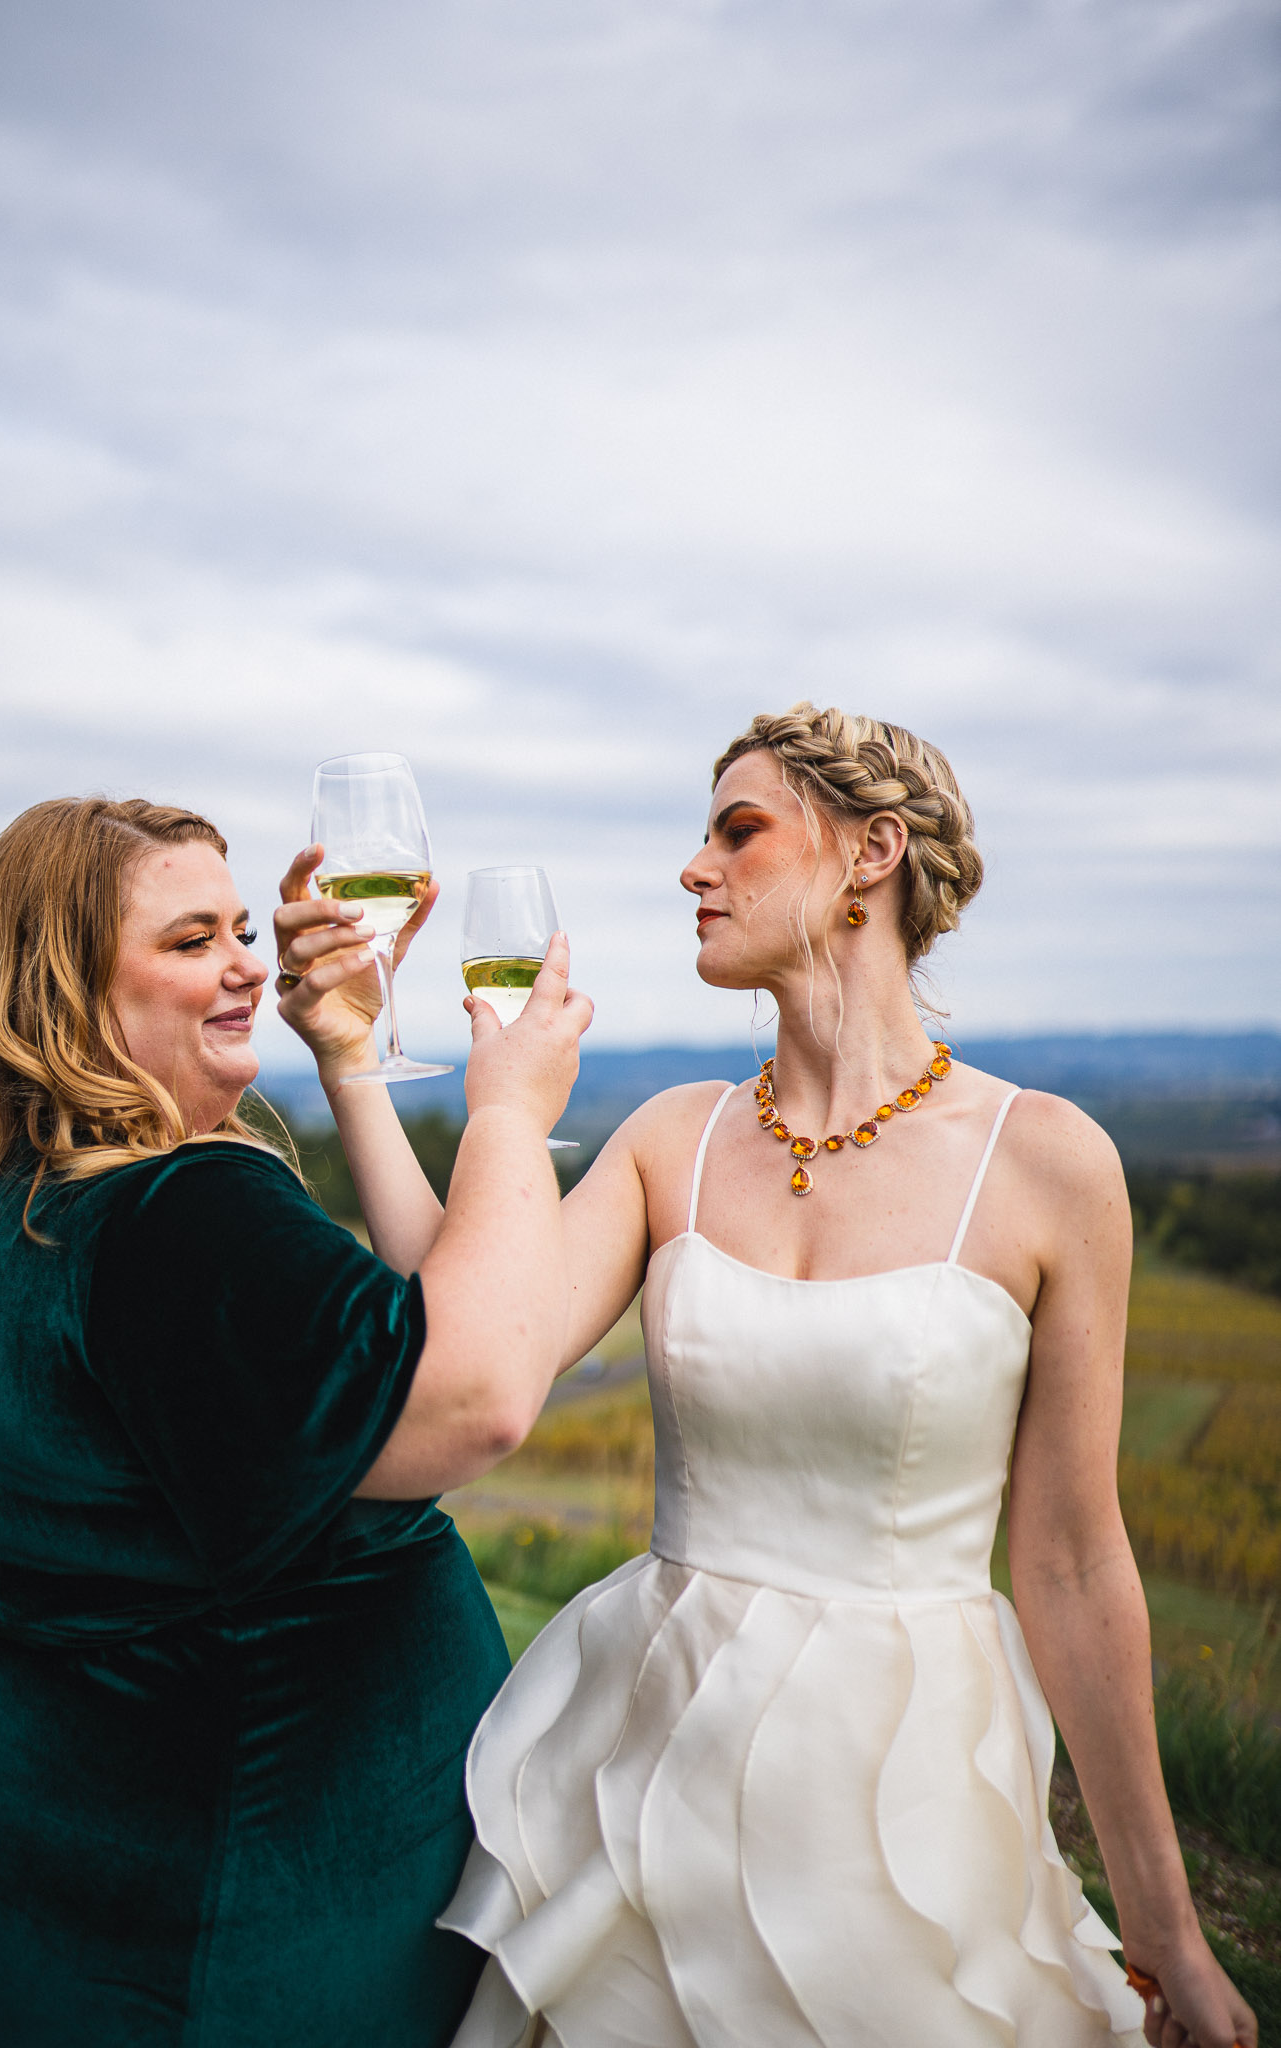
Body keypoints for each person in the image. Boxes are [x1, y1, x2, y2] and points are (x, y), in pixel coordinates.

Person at [330, 708, 1255, 2048]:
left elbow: (1069, 1560)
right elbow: (472, 1336)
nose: (693, 868)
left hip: (896, 1785)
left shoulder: (1050, 1162)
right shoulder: (672, 1138)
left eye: (739, 830)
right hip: (652, 1757)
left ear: (873, 851)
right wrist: (355, 1062)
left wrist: (1165, 1928)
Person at [0, 795, 590, 2048]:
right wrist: (508, 1110)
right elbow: (478, 1395)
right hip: (229, 1946)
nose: (247, 965)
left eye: (241, 928)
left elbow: (414, 1324)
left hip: (65, 1898)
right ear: (66, 992)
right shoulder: (178, 1213)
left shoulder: (39, 1200)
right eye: (190, 941)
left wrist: (349, 1058)